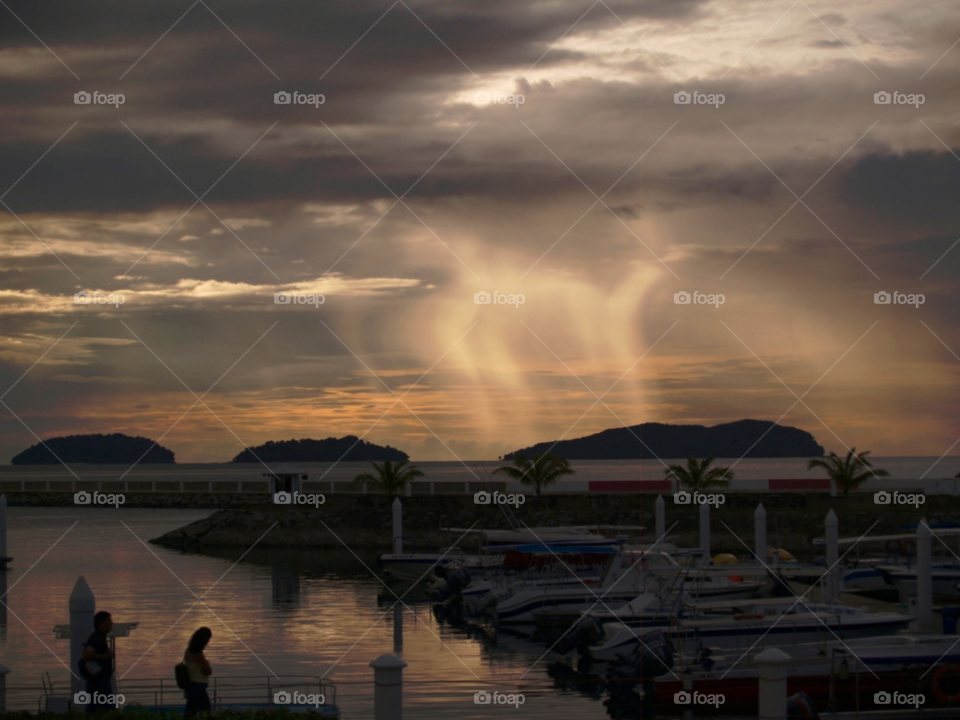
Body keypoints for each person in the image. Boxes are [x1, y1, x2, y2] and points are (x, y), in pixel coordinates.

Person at [81, 611, 114, 713]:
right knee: (107, 710)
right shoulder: (97, 637)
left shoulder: (99, 637)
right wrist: (106, 656)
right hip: (99, 683)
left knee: (94, 710)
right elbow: (88, 654)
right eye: (108, 621)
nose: (111, 623)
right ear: (101, 623)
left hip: (98, 682)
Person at [183, 627, 213, 717]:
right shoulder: (198, 654)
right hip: (198, 686)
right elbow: (208, 671)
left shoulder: (188, 651)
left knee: (190, 713)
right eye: (208, 639)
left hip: (190, 686)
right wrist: (206, 664)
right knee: (206, 711)